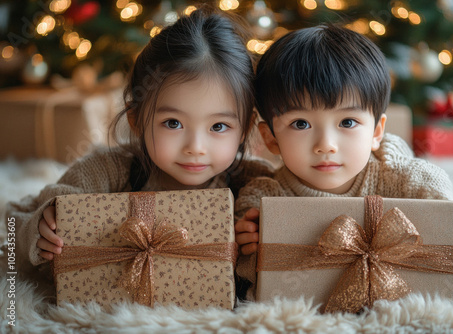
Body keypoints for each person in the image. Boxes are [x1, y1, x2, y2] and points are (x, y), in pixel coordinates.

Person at [234, 23, 453, 298]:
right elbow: (247, 274)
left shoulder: (402, 178)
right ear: (271, 139)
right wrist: (249, 246)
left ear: (376, 132)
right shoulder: (264, 198)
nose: (326, 145)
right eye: (301, 124)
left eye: (347, 121)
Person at [7, 5, 273, 274]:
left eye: (218, 126)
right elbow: (16, 218)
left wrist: (259, 238)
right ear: (137, 121)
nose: (196, 147)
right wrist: (40, 229)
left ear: (245, 128)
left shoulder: (253, 183)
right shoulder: (109, 170)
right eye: (173, 123)